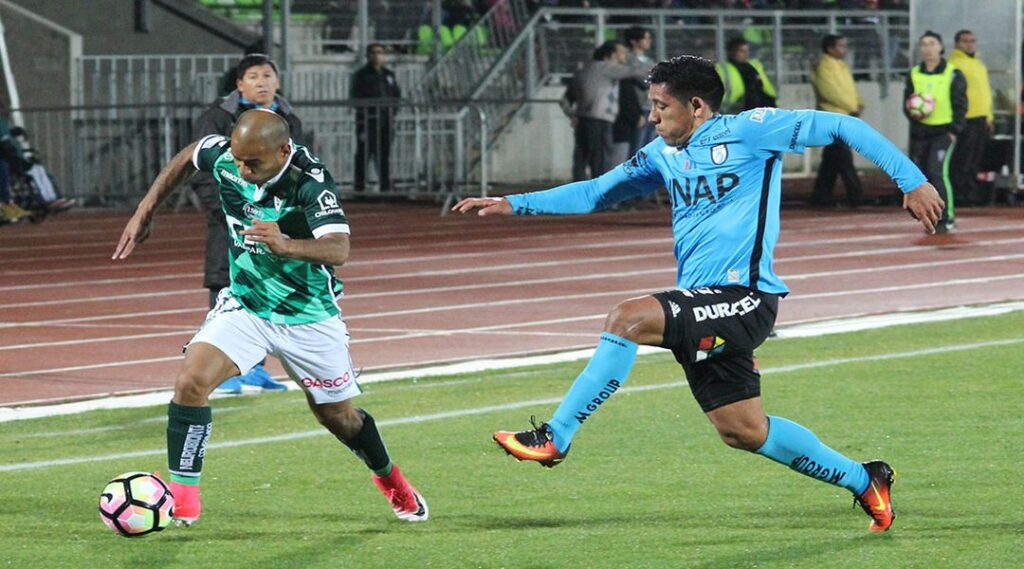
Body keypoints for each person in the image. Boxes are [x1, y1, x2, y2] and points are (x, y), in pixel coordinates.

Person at [453, 55, 945, 533]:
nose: (652, 117)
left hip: (745, 297)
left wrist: (913, 181)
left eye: (661, 106)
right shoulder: (661, 154)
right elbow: (596, 192)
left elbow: (844, 126)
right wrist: (514, 203)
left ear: (697, 106)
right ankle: (865, 479)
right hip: (705, 303)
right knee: (743, 430)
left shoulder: (751, 130)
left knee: (627, 318)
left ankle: (555, 436)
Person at [112, 109, 429, 527]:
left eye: (253, 163)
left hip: (308, 315)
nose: (242, 170)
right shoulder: (228, 157)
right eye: (238, 159)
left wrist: (285, 245)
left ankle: (392, 481)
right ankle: (184, 502)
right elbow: (191, 155)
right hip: (246, 305)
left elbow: (339, 249)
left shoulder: (310, 181)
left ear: (282, 151)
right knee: (191, 382)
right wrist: (146, 209)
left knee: (339, 418)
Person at [192, 53, 304, 392]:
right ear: (239, 84)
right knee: (227, 290)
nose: (261, 83)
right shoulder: (217, 118)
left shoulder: (288, 119)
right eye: (253, 77)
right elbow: (200, 168)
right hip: (229, 222)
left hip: (272, 223)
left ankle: (255, 368)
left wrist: (287, 214)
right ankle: (221, 374)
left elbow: (299, 169)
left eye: (267, 75)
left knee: (265, 291)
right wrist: (224, 210)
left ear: (278, 81)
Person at [903, 30, 967, 234]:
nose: (928, 48)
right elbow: (907, 103)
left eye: (932, 43)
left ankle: (946, 218)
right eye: (924, 44)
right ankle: (926, 215)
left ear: (941, 47)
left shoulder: (952, 73)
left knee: (937, 172)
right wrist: (914, 113)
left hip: (943, 132)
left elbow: (961, 104)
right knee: (920, 176)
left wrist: (954, 130)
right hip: (920, 133)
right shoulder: (914, 73)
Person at [562, 40, 650, 181]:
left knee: (581, 158)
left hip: (583, 120)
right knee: (600, 160)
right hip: (600, 120)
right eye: (622, 53)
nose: (625, 56)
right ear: (610, 55)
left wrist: (573, 115)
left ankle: (578, 190)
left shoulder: (585, 70)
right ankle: (599, 192)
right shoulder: (606, 68)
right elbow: (634, 71)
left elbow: (565, 100)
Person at [809, 34, 864, 207]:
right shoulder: (824, 67)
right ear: (830, 49)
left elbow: (849, 88)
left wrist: (859, 102)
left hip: (844, 115)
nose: (844, 50)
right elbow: (831, 92)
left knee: (832, 158)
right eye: (841, 46)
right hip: (832, 116)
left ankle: (821, 195)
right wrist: (852, 106)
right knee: (843, 156)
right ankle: (855, 195)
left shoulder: (841, 65)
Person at [948, 29, 994, 206]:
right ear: (957, 44)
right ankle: (960, 194)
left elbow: (985, 93)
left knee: (974, 159)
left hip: (980, 118)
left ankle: (969, 192)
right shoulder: (954, 65)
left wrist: (989, 117)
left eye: (972, 41)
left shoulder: (979, 65)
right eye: (965, 41)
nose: (969, 44)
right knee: (962, 158)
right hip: (965, 118)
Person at [350, 44, 401, 195]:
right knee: (364, 154)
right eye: (374, 52)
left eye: (380, 52)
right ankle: (359, 188)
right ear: (368, 55)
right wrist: (366, 112)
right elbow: (355, 97)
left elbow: (396, 96)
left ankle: (385, 187)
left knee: (384, 154)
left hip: (385, 122)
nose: (377, 55)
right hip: (367, 122)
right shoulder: (361, 75)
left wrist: (391, 112)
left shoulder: (388, 75)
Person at [716, 37, 777, 114]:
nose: (746, 54)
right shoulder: (725, 69)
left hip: (759, 107)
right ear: (731, 52)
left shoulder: (753, 66)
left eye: (747, 51)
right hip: (737, 108)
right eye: (742, 51)